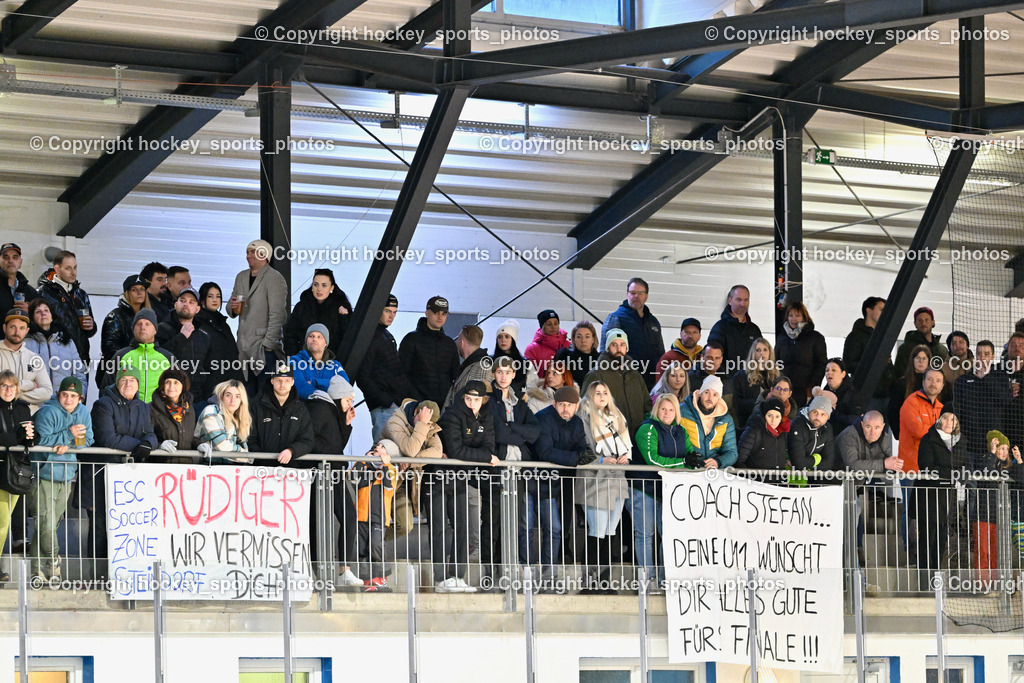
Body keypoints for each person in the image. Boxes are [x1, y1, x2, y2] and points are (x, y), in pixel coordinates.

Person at [431, 381, 496, 592]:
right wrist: (485, 457)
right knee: (440, 529)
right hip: (439, 478)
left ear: (483, 400)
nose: (472, 404)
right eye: (468, 399)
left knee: (462, 527)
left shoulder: (486, 416)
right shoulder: (452, 415)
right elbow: (457, 450)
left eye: (476, 400)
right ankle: (440, 579)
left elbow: (489, 444)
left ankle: (457, 576)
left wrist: (482, 452)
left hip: (459, 478)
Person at [526, 385, 594, 581]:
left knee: (558, 528)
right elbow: (544, 452)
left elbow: (584, 449)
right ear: (554, 403)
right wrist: (575, 458)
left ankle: (550, 573)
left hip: (563, 482)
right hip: (538, 481)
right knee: (532, 528)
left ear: (577, 405)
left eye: (570, 405)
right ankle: (531, 572)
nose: (565, 409)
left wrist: (582, 455)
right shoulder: (543, 418)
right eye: (561, 404)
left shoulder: (577, 423)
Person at [90, 366, 157, 562]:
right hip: (105, 472)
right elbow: (107, 438)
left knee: (127, 524)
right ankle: (97, 572)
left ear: (138, 384)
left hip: (130, 475)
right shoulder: (103, 404)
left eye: (133, 381)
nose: (128, 384)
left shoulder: (143, 406)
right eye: (124, 380)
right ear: (117, 382)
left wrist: (148, 444)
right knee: (102, 524)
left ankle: (126, 569)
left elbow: (151, 434)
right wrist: (139, 445)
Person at [29, 376, 92, 580]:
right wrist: (67, 435)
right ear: (59, 395)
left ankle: (38, 568)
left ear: (80, 398)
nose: (68, 399)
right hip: (44, 473)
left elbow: (89, 439)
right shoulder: (47, 412)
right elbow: (41, 440)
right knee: (45, 523)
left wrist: (72, 443)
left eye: (73, 396)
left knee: (51, 524)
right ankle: (54, 559)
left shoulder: (83, 412)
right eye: (65, 395)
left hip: (66, 475)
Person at [632, 393, 697, 580]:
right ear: (656, 410)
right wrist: (683, 462)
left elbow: (691, 454)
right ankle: (648, 580)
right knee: (646, 534)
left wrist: (696, 462)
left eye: (671, 409)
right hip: (644, 488)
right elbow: (653, 460)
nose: (667, 413)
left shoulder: (680, 431)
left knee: (667, 535)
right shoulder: (648, 429)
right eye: (663, 409)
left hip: (667, 491)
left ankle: (664, 579)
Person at [486, 357, 539, 580]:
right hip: (497, 468)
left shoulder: (520, 403)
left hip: (517, 471)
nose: (504, 376)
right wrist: (518, 434)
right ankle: (491, 568)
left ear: (514, 374)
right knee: (494, 520)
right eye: (499, 372)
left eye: (507, 372)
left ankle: (510, 566)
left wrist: (513, 428)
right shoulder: (489, 401)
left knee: (514, 520)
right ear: (494, 374)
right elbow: (497, 431)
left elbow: (534, 432)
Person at [576, 380, 630, 592]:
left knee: (610, 532)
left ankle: (605, 581)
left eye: (605, 392)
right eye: (597, 393)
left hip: (617, 479)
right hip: (594, 479)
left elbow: (626, 443)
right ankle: (589, 582)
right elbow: (584, 448)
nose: (601, 396)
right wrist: (600, 460)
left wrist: (626, 455)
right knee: (596, 531)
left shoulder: (617, 417)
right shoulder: (584, 417)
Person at [306, 375, 360, 587]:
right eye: (347, 401)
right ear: (337, 398)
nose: (350, 405)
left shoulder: (329, 411)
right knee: (323, 521)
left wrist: (346, 425)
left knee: (329, 519)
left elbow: (335, 445)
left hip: (331, 473)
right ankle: (331, 571)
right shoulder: (320, 410)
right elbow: (316, 443)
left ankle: (333, 571)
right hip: (323, 473)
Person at [228, 240, 289, 392]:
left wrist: (268, 344)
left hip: (264, 351)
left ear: (264, 254)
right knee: (246, 398)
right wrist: (233, 308)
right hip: (243, 350)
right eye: (247, 252)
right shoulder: (240, 277)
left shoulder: (275, 278)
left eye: (252, 252)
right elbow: (231, 308)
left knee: (264, 397)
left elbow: (278, 315)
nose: (248, 256)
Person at [382, 394, 443, 541]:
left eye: (430, 424)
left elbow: (437, 451)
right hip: (384, 481)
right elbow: (410, 450)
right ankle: (368, 546)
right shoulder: (395, 422)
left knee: (405, 525)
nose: (428, 426)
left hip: (403, 480)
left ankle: (372, 545)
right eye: (426, 423)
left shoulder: (426, 423)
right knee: (395, 524)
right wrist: (421, 424)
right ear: (416, 412)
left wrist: (409, 462)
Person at [357, 294, 416, 442]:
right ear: (378, 310)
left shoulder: (386, 335)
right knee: (382, 453)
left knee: (392, 455)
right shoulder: (371, 336)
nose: (392, 316)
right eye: (388, 311)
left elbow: (396, 373)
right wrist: (387, 401)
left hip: (394, 404)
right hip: (384, 406)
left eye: (395, 312)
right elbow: (363, 377)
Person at [581, 329, 652, 448]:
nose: (619, 349)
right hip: (610, 444)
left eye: (622, 345)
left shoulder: (635, 375)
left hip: (639, 441)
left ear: (627, 348)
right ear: (607, 348)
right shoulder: (596, 374)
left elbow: (647, 405)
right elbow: (585, 408)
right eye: (614, 345)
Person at [37, 251, 95, 392]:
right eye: (68, 268)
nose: (73, 272)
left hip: (81, 358)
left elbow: (91, 330)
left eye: (75, 267)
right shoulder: (43, 293)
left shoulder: (82, 295)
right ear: (57, 269)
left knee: (79, 403)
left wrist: (91, 326)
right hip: (56, 360)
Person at [970, 430, 1024, 583]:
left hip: (999, 516)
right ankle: (982, 583)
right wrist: (992, 453)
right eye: (1001, 448)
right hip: (983, 514)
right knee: (983, 551)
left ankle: (993, 582)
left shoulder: (1008, 468)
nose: (1004, 452)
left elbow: (1021, 478)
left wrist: (1019, 460)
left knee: (995, 552)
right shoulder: (985, 460)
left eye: (1006, 449)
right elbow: (985, 471)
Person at [0, 371, 34, 581]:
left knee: (4, 521)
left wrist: (31, 437)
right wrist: (17, 437)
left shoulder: (23, 408)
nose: (8, 390)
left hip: (17, 469)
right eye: (3, 386)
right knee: (2, 521)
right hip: (1, 468)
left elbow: (29, 436)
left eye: (11, 386)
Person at [601, 278, 665, 389]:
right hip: (624, 382)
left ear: (646, 296)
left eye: (640, 293)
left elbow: (660, 353)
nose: (636, 296)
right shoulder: (615, 318)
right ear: (627, 294)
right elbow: (604, 353)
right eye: (633, 293)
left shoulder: (653, 322)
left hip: (650, 384)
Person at [917, 407, 960, 573]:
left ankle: (936, 577)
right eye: (946, 418)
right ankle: (924, 576)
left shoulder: (959, 441)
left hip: (946, 498)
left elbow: (964, 463)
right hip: (929, 497)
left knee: (942, 539)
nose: (949, 422)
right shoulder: (928, 439)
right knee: (928, 539)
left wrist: (961, 474)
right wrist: (952, 474)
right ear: (939, 420)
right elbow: (927, 466)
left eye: (953, 419)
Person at [248, 362, 315, 467]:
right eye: (278, 380)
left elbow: (308, 440)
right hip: (261, 471)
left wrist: (291, 451)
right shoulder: (257, 406)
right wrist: (261, 458)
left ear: (292, 382)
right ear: (272, 381)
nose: (282, 385)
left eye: (287, 380)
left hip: (291, 471)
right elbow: (249, 437)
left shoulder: (301, 409)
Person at [954, 340, 1011, 464]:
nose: (982, 358)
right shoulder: (964, 379)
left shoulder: (1001, 377)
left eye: (986, 354)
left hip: (994, 444)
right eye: (979, 354)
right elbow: (958, 408)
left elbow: (1006, 400)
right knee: (971, 482)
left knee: (991, 482)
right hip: (969, 444)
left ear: (993, 356)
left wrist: (986, 377)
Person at [353, 440, 399, 592]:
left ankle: (381, 577)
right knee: (362, 548)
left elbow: (388, 485)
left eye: (381, 447)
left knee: (376, 546)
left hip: (379, 517)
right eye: (376, 446)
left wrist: (385, 465)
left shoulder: (391, 469)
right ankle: (367, 581)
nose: (376, 448)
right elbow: (353, 478)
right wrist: (363, 460)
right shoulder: (365, 466)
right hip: (361, 515)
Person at [399, 296, 460, 407]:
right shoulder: (411, 339)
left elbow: (455, 376)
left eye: (444, 313)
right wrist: (416, 402)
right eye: (436, 312)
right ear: (427, 313)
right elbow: (402, 375)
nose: (440, 317)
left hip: (444, 408)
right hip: (417, 407)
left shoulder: (449, 344)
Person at [156, 287, 213, 403]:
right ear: (176, 304)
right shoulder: (161, 329)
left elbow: (210, 368)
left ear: (197, 309)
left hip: (197, 398)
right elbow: (158, 360)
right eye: (182, 301)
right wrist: (182, 337)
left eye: (191, 302)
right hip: (169, 397)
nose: (186, 304)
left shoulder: (204, 336)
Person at [106, 309, 173, 403]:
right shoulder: (121, 355)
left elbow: (177, 388)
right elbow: (107, 389)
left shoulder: (168, 357)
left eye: (147, 324)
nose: (142, 327)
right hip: (128, 412)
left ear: (155, 330)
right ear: (133, 329)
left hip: (158, 414)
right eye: (138, 324)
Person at [283, 268, 352, 357]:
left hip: (331, 361)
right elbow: (290, 335)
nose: (319, 289)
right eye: (316, 284)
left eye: (324, 285)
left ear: (332, 288)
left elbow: (348, 338)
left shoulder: (341, 308)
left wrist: (345, 317)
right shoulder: (302, 306)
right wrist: (294, 357)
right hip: (304, 360)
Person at [842, 296, 893, 409]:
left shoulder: (883, 337)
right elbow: (848, 364)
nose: (884, 313)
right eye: (881, 309)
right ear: (868, 310)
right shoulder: (855, 336)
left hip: (886, 394)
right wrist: (874, 362)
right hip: (866, 395)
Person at [678, 375, 739, 469]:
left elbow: (732, 452)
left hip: (713, 473)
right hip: (687, 469)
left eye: (715, 395)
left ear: (719, 398)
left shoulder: (726, 419)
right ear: (700, 393)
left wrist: (718, 461)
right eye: (707, 392)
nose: (710, 398)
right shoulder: (681, 411)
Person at [775, 302, 827, 409]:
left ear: (804, 317)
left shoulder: (816, 338)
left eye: (797, 315)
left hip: (805, 390)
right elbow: (776, 362)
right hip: (785, 390)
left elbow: (821, 364)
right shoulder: (782, 338)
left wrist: (812, 388)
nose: (793, 319)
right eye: (790, 315)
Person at [102, 275, 152, 382]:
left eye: (142, 289)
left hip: (142, 372)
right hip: (117, 374)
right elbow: (109, 348)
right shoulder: (115, 316)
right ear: (127, 293)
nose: (140, 293)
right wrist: (133, 361)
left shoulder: (149, 317)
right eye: (134, 290)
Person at [0, 308, 52, 410]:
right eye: (12, 327)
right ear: (4, 328)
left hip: (27, 420)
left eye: (22, 328)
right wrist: (29, 384)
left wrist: (17, 395)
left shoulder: (34, 358)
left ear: (27, 331)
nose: (17, 332)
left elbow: (47, 392)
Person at [194, 282, 243, 390]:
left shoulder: (223, 323)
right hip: (210, 382)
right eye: (210, 296)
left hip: (230, 381)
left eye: (218, 296)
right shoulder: (197, 323)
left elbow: (232, 352)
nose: (215, 300)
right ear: (202, 300)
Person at [898, 368, 944, 475]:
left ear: (942, 386)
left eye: (938, 381)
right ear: (923, 382)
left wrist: (925, 427)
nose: (933, 383)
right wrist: (938, 431)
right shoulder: (911, 403)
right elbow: (918, 431)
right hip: (911, 468)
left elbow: (947, 435)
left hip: (934, 468)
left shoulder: (941, 408)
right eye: (930, 379)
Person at [707, 285, 762, 371]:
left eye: (746, 300)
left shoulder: (754, 330)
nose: (742, 304)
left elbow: (761, 356)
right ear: (730, 300)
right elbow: (712, 358)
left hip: (751, 380)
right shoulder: (720, 328)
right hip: (726, 381)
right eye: (738, 300)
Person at [195, 379, 251, 463]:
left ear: (241, 400)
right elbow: (223, 447)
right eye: (228, 395)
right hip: (207, 468)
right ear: (222, 397)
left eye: (237, 396)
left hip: (228, 470)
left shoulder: (237, 418)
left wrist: (247, 456)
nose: (233, 400)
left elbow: (244, 446)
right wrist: (248, 457)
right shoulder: (211, 412)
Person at [290, 324, 349, 401]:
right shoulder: (295, 361)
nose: (314, 339)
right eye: (311, 336)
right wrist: (328, 393)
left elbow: (345, 386)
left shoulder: (335, 365)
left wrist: (314, 382)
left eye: (319, 337)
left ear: (326, 343)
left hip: (329, 411)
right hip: (303, 410)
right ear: (306, 341)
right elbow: (300, 388)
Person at [731, 338, 779, 431]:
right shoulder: (741, 376)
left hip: (774, 424)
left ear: (770, 352)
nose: (762, 353)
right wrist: (761, 403)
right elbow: (736, 403)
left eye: (765, 350)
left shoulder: (777, 375)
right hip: (749, 424)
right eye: (758, 350)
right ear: (753, 353)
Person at [149, 368, 197, 462]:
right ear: (162, 385)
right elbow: (145, 436)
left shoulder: (189, 409)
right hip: (160, 467)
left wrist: (199, 444)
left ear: (182, 386)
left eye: (176, 382)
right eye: (168, 382)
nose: (171, 386)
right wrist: (159, 445)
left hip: (185, 467)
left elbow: (190, 437)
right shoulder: (151, 409)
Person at [887, 344, 932, 439]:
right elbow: (893, 411)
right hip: (908, 435)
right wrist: (900, 433)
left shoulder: (934, 384)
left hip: (929, 436)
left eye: (924, 358)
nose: (921, 361)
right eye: (918, 358)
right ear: (912, 360)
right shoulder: (901, 384)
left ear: (929, 361)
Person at [443, 324, 492, 410]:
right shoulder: (469, 365)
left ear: (462, 343)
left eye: (458, 339)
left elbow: (481, 405)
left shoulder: (483, 367)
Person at [893, 306, 948, 379]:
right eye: (920, 320)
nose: (923, 323)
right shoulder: (905, 348)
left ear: (933, 322)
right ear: (915, 323)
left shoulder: (942, 350)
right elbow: (899, 373)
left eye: (926, 320)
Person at [736, 397, 790, 470]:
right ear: (764, 415)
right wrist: (752, 478)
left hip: (777, 480)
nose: (773, 420)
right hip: (755, 479)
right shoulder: (753, 431)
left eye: (777, 416)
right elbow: (739, 461)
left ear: (781, 418)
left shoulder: (783, 434)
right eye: (770, 415)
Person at [788, 395, 838, 472]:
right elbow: (798, 463)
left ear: (828, 417)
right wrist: (816, 459)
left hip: (815, 477)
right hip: (789, 475)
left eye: (823, 414)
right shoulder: (797, 425)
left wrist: (808, 468)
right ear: (809, 411)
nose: (818, 417)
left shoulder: (827, 428)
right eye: (815, 412)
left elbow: (829, 462)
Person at [490, 320, 536, 399]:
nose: (503, 340)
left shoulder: (526, 363)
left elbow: (533, 387)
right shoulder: (489, 361)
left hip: (519, 404)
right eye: (500, 337)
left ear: (513, 339)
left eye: (507, 336)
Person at [687, 341, 733, 413]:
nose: (713, 361)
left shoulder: (727, 379)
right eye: (709, 357)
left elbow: (730, 408)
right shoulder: (690, 379)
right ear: (702, 357)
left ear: (721, 359)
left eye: (717, 358)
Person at [820, 358, 863, 434]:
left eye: (833, 370)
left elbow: (855, 420)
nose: (829, 373)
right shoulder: (822, 393)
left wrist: (833, 413)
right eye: (827, 370)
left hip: (844, 436)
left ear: (843, 374)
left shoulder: (853, 394)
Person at [554, 320, 600, 388]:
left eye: (587, 337)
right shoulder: (565, 357)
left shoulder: (600, 359)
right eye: (579, 337)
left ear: (593, 339)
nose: (583, 340)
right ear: (574, 339)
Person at [524, 309, 570, 376]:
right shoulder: (532, 349)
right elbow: (530, 375)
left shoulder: (568, 345)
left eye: (556, 323)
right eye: (549, 324)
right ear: (543, 326)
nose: (553, 326)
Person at [0, 243, 38, 315]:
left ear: (20, 262)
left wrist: (31, 311)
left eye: (15, 257)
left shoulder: (31, 292)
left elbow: (39, 322)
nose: (10, 261)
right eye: (6, 257)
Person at [941, 331, 972, 404]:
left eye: (961, 342)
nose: (957, 346)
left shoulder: (977, 367)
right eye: (953, 343)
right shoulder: (943, 369)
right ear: (949, 347)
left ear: (967, 345)